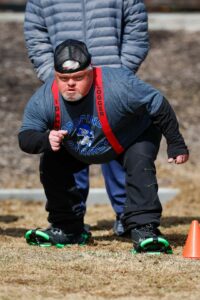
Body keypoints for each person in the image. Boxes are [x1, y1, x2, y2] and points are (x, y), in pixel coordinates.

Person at [18, 40, 189, 253]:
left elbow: (157, 104)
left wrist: (176, 143)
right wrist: (45, 139)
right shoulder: (44, 98)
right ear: (55, 75)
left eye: (78, 77)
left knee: (140, 163)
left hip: (130, 136)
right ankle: (68, 228)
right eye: (64, 78)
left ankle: (145, 229)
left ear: (91, 72)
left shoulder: (118, 83)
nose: (70, 84)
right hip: (81, 145)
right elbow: (25, 136)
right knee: (51, 161)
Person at [23, 0, 150, 235]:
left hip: (111, 86)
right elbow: (35, 32)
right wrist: (55, 77)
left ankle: (128, 216)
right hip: (67, 88)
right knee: (68, 147)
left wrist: (119, 75)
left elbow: (136, 27)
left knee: (118, 148)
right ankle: (70, 220)